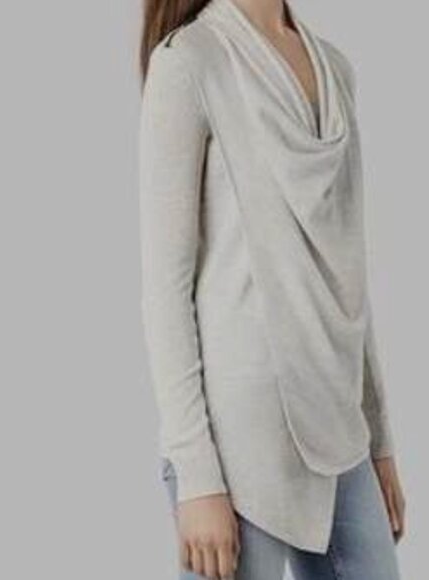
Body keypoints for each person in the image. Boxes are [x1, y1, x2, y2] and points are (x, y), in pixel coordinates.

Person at [139, 0, 406, 578]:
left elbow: (348, 282)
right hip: (236, 442)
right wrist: (197, 476)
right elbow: (165, 289)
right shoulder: (190, 62)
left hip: (338, 430)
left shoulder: (335, 68)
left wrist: (379, 440)